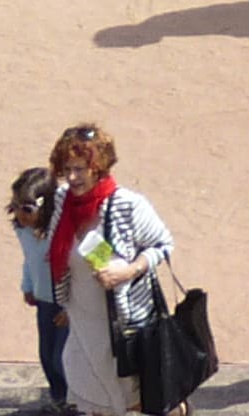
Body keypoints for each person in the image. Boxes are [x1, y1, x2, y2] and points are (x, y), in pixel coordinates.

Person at [55, 128, 175, 416]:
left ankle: (178, 410)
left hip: (121, 324)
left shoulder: (127, 205)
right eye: (67, 169)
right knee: (93, 397)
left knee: (132, 399)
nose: (72, 178)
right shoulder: (62, 201)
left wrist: (128, 271)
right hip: (82, 321)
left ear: (99, 168)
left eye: (80, 169)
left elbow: (163, 244)